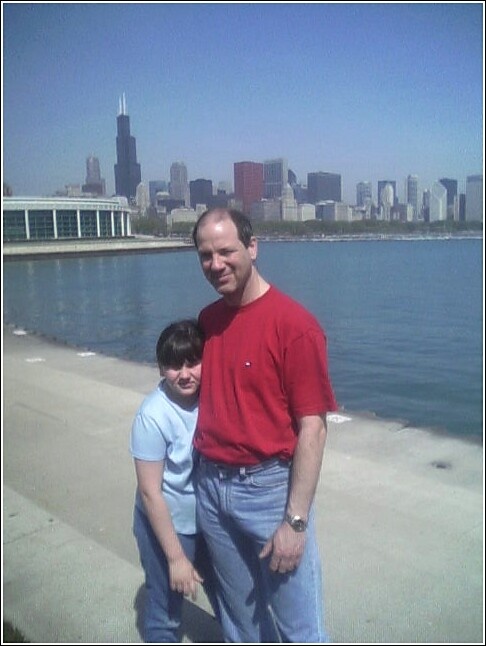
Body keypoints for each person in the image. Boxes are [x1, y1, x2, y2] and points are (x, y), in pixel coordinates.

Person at [192, 208, 338, 643]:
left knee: (299, 628)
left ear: (252, 248)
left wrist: (295, 522)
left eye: (226, 251)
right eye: (205, 255)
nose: (215, 264)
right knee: (240, 622)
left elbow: (312, 427)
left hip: (268, 491)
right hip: (211, 486)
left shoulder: (294, 326)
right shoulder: (208, 320)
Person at [130, 319, 218, 643]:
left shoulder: (210, 394)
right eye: (173, 365)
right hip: (167, 523)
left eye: (192, 363)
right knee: (165, 611)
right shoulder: (153, 416)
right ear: (160, 367)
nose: (184, 374)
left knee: (228, 596)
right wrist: (176, 557)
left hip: (207, 516)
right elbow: (150, 492)